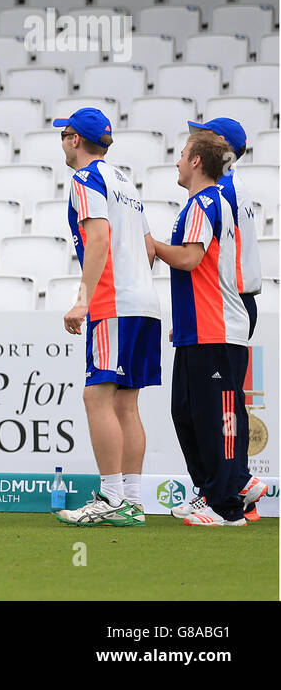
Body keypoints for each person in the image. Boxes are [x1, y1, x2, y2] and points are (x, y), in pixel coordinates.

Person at [52, 108, 162, 528]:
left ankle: (112, 497)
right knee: (125, 403)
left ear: (74, 139)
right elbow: (149, 247)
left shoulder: (85, 179)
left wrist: (84, 298)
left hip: (113, 302)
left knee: (97, 396)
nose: (62, 140)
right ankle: (131, 501)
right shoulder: (124, 182)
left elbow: (97, 239)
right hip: (143, 302)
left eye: (64, 133)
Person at [150, 130, 251, 527]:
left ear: (196, 162)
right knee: (187, 414)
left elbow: (191, 259)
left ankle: (227, 507)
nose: (176, 160)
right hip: (200, 329)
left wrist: (152, 246)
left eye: (181, 154)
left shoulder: (204, 203)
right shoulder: (204, 203)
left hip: (218, 331)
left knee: (216, 418)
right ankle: (210, 494)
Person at [173, 117, 269, 522]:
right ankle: (232, 484)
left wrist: (153, 246)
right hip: (223, 302)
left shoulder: (217, 194)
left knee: (218, 410)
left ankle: (227, 492)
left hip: (223, 304)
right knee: (202, 408)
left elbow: (198, 257)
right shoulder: (235, 188)